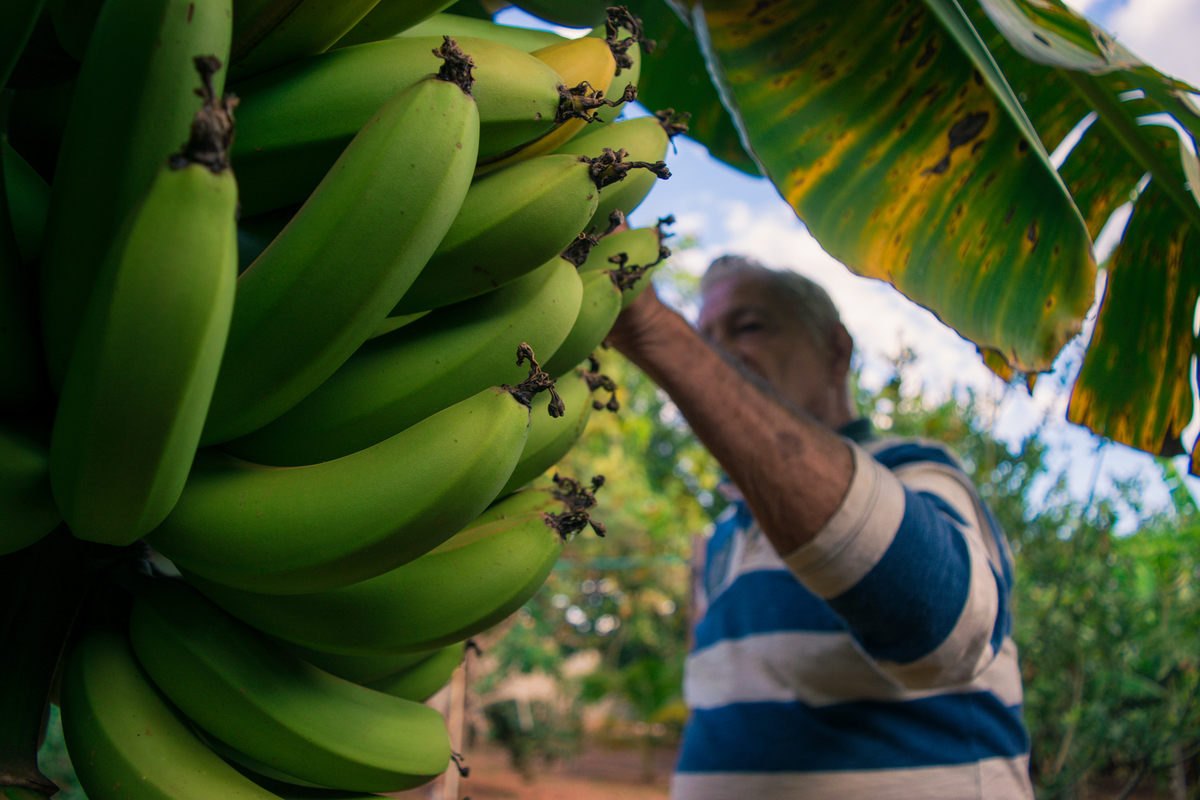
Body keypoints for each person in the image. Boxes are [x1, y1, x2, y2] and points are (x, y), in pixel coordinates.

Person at [604, 255, 1033, 799]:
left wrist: (658, 331)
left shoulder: (913, 468)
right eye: (703, 334)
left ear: (835, 351)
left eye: (749, 326)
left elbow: (947, 629)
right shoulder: (722, 538)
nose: (711, 352)